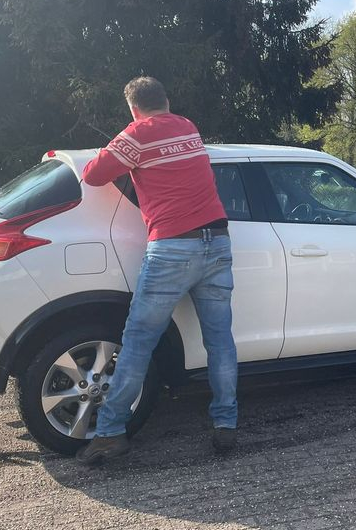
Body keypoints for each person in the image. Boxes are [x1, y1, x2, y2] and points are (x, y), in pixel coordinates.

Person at [76, 76, 238, 464]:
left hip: (172, 248)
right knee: (220, 342)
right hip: (217, 242)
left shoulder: (136, 135)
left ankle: (111, 432)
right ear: (166, 100)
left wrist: (125, 141)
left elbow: (93, 174)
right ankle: (226, 424)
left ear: (133, 109)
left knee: (138, 342)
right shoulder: (188, 127)